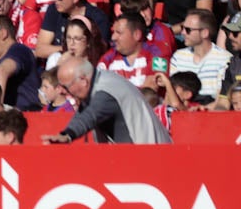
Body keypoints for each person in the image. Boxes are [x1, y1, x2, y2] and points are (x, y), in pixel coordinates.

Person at [41, 55, 171, 144]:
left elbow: (89, 116)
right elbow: (83, 113)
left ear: (83, 81)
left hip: (151, 162)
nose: (63, 91)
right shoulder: (99, 81)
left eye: (66, 86)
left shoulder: (106, 91)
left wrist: (67, 135)